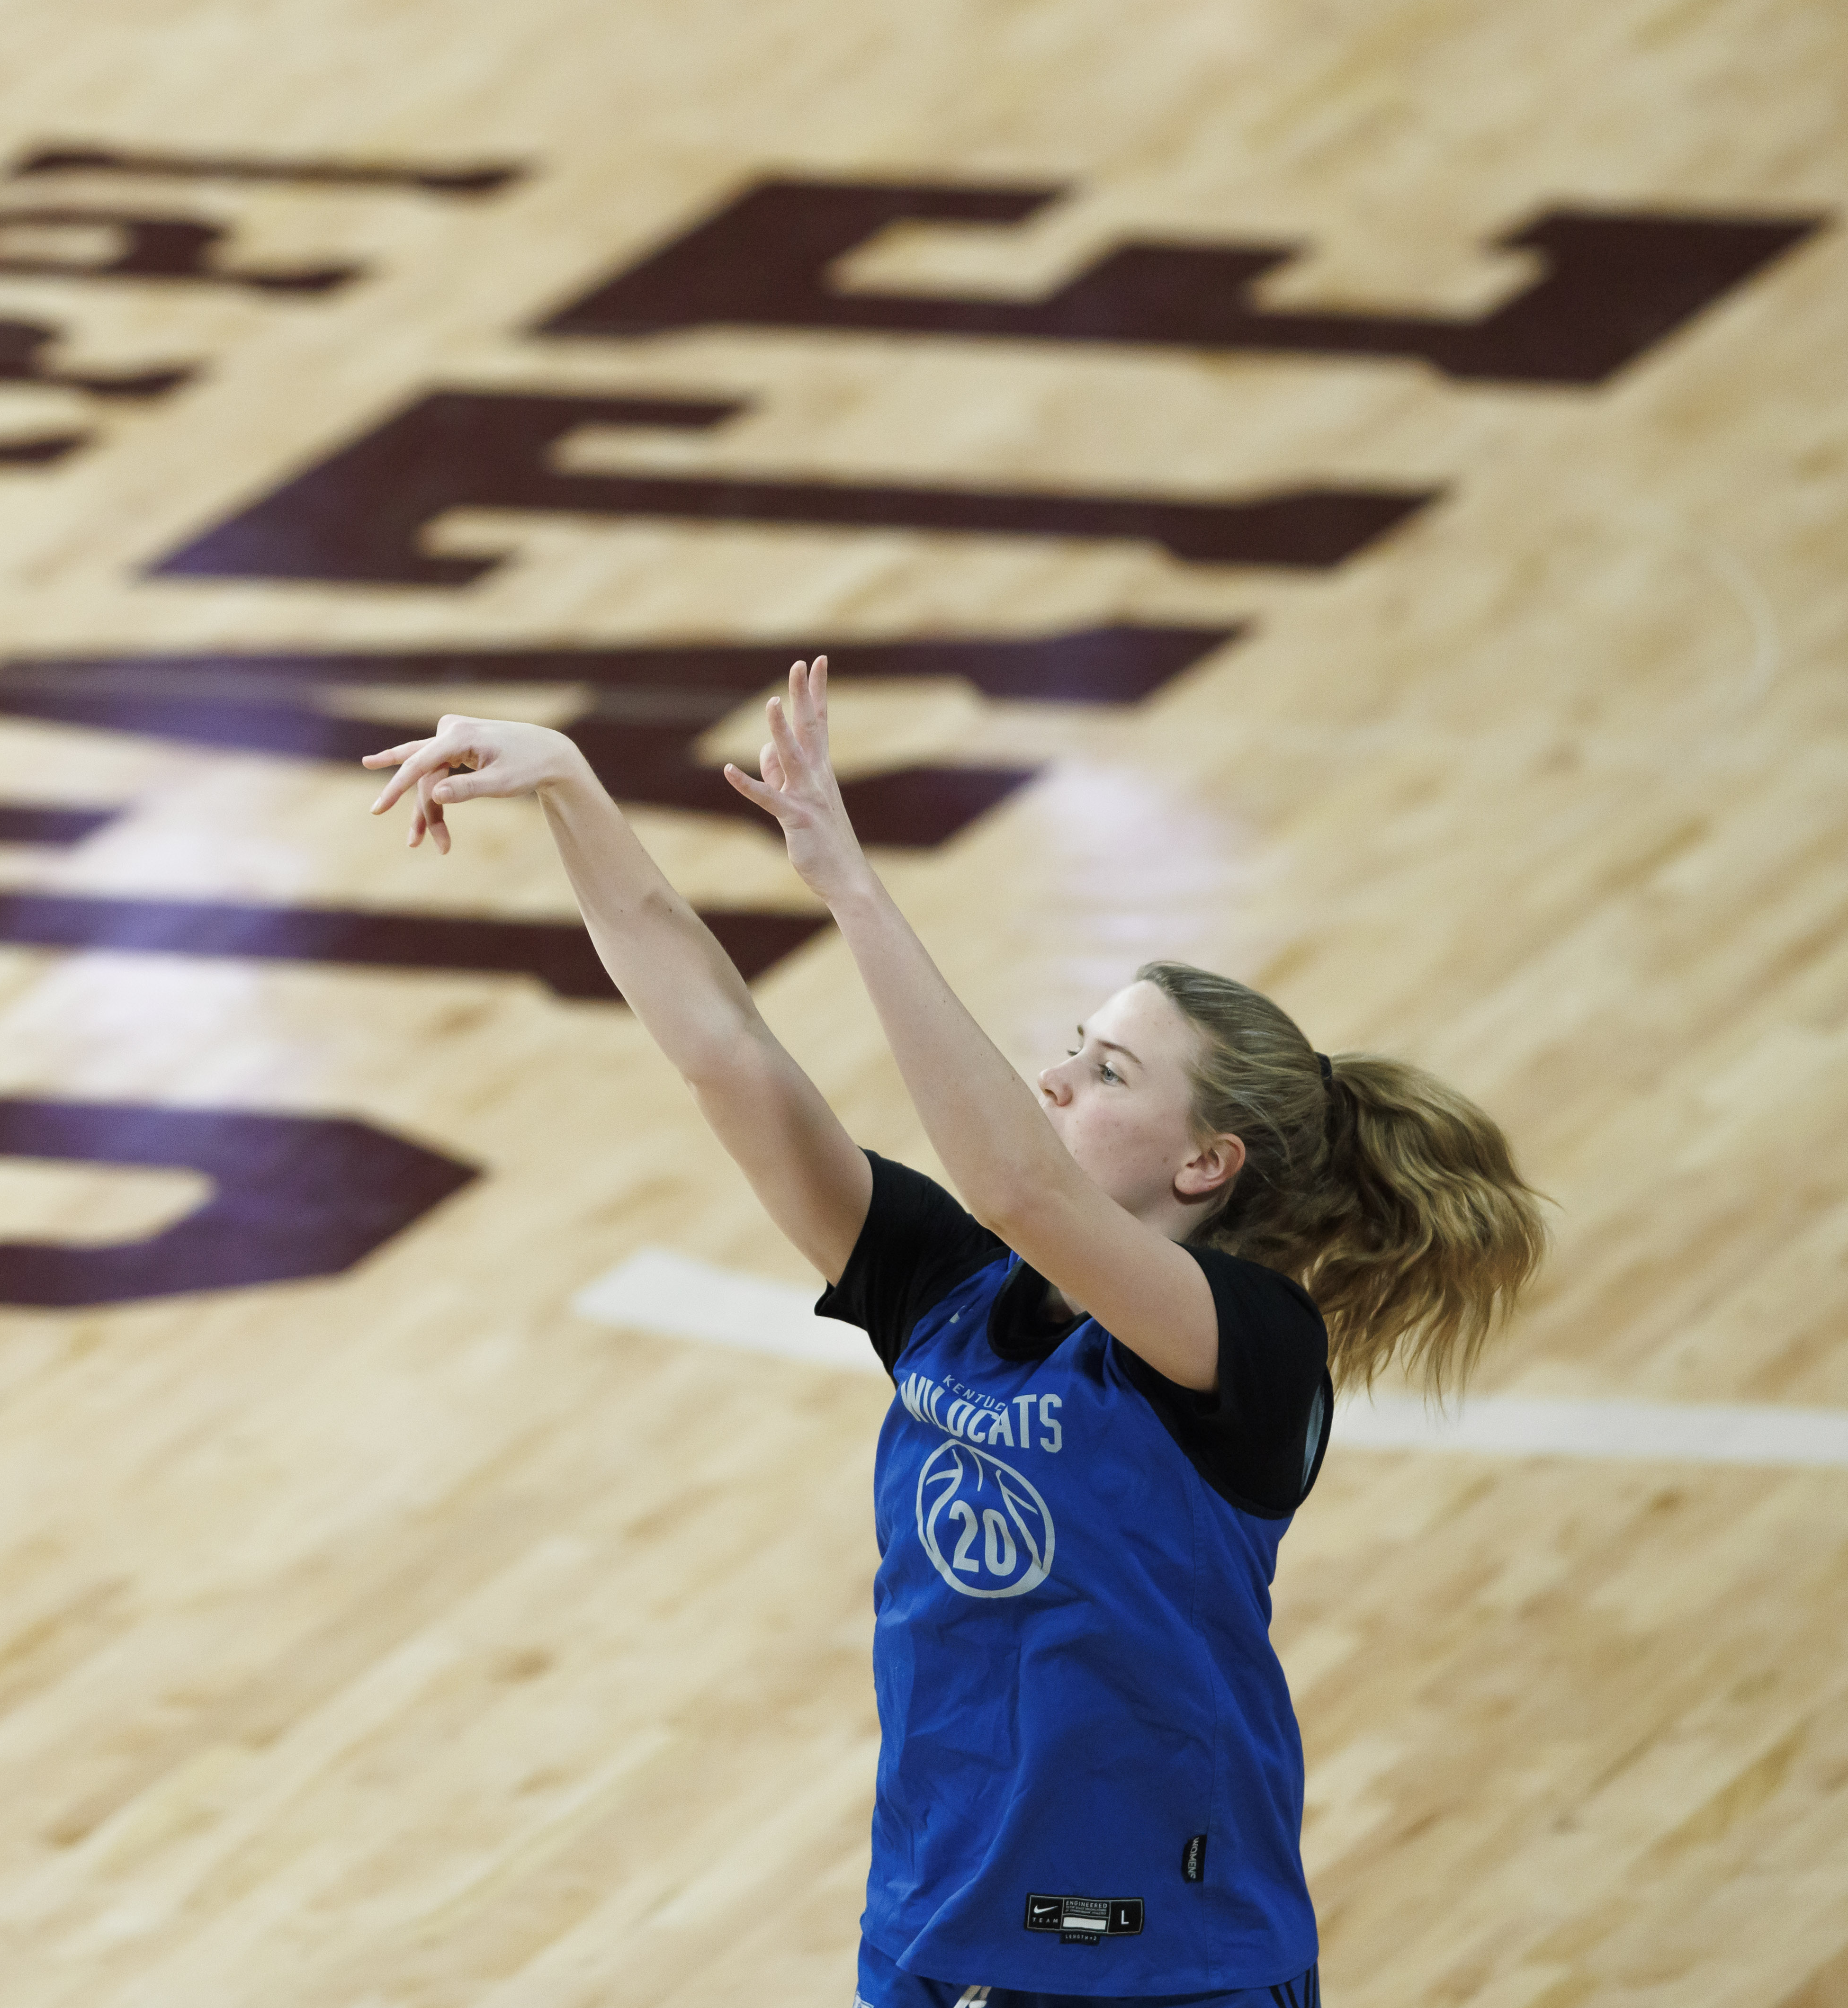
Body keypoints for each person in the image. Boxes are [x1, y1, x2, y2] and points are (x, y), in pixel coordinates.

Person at [364, 658, 1548, 2008]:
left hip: (1168, 1970)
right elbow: (725, 1052)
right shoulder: (950, 1291)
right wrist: (573, 789)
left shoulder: (1251, 1346)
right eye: (1077, 1043)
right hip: (935, 1936)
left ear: (1207, 1162)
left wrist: (852, 887)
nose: (1057, 1075)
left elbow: (1018, 1187)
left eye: (1107, 1070)